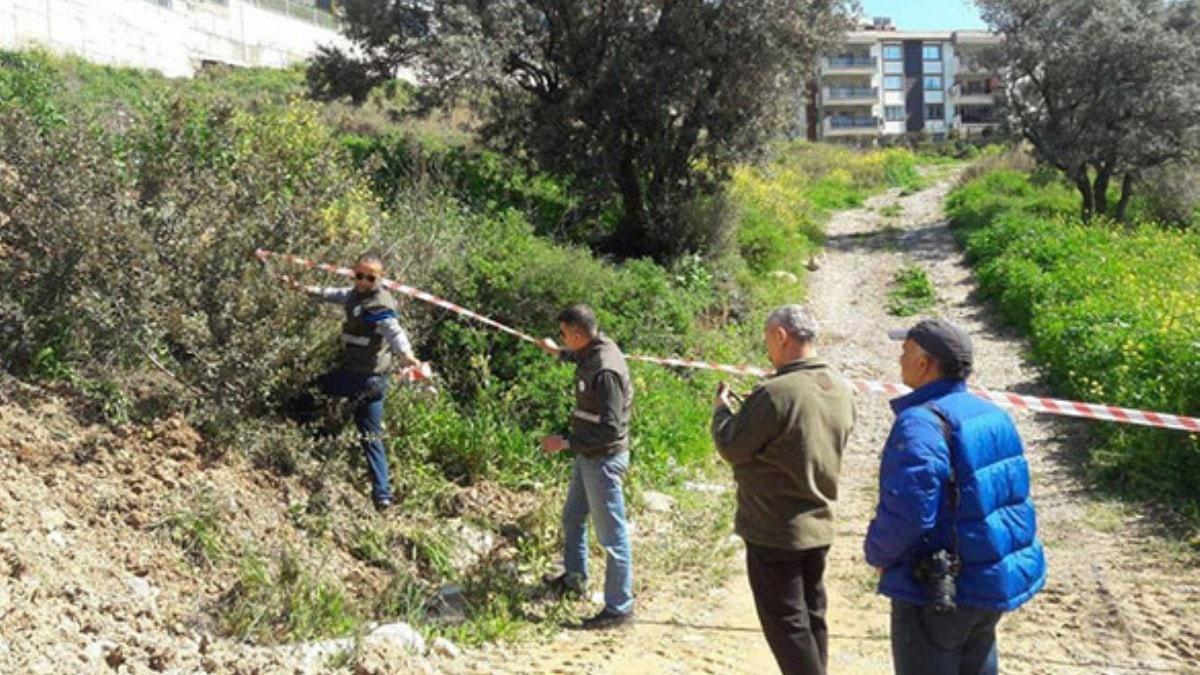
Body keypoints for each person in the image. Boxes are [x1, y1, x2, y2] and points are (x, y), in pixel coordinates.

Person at [864, 318, 1046, 675]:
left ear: (924, 363)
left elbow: (911, 507)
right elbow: (1012, 499)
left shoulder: (920, 422)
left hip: (935, 588)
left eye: (905, 352)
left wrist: (878, 553)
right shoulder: (993, 414)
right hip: (986, 584)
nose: (900, 360)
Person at [711, 305, 856, 675]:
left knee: (787, 626)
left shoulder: (776, 392)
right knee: (811, 617)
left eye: (768, 339)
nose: (767, 348)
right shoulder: (839, 387)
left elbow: (732, 447)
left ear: (780, 336)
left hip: (775, 529)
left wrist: (721, 411)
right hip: (819, 523)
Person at [282, 254, 422, 512]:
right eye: (359, 275)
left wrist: (406, 356)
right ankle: (382, 496)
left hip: (363, 378)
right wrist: (302, 289)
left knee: (311, 390)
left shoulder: (377, 306)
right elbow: (335, 294)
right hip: (374, 382)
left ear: (381, 278)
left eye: (370, 277)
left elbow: (393, 330)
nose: (364, 281)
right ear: (353, 274)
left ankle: (286, 431)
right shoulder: (355, 295)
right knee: (371, 438)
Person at [538, 304, 635, 630]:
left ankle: (619, 607)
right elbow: (579, 356)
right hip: (588, 455)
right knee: (573, 517)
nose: (562, 339)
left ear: (578, 333)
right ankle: (575, 579)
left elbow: (610, 428)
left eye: (564, 335)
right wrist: (558, 352)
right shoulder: (594, 349)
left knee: (612, 536)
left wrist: (563, 444)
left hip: (603, 459)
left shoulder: (606, 370)